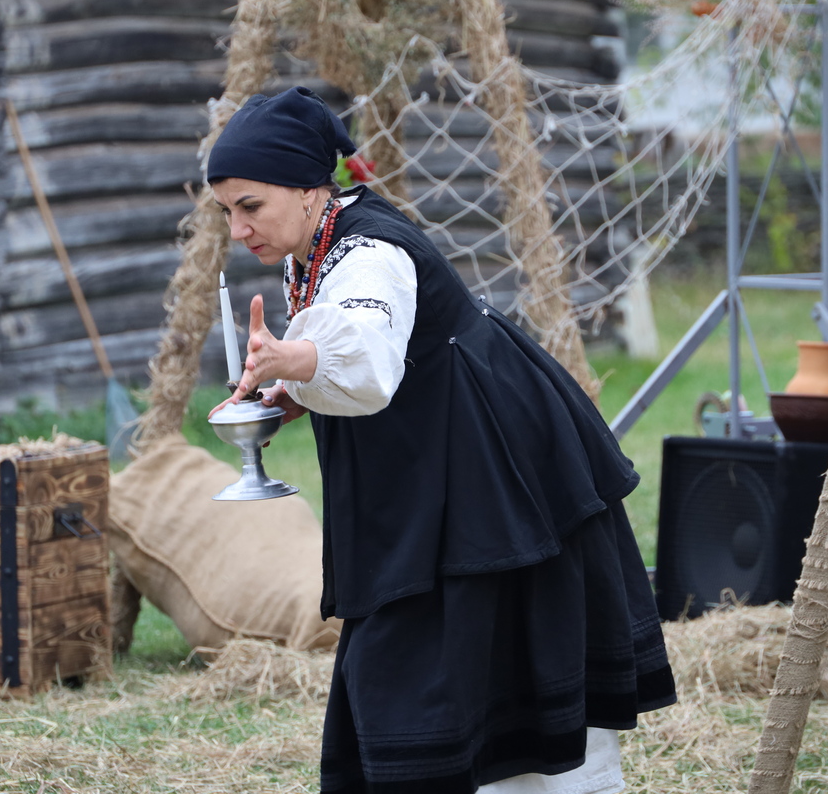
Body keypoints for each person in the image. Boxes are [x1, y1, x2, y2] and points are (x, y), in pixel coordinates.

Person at [207, 86, 676, 794]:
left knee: (486, 646)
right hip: (435, 467)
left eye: (250, 205)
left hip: (492, 471)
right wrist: (294, 390)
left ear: (307, 189)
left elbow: (366, 342)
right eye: (226, 211)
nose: (238, 228)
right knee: (437, 652)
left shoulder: (368, 253)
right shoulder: (315, 243)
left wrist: (293, 358)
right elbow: (373, 357)